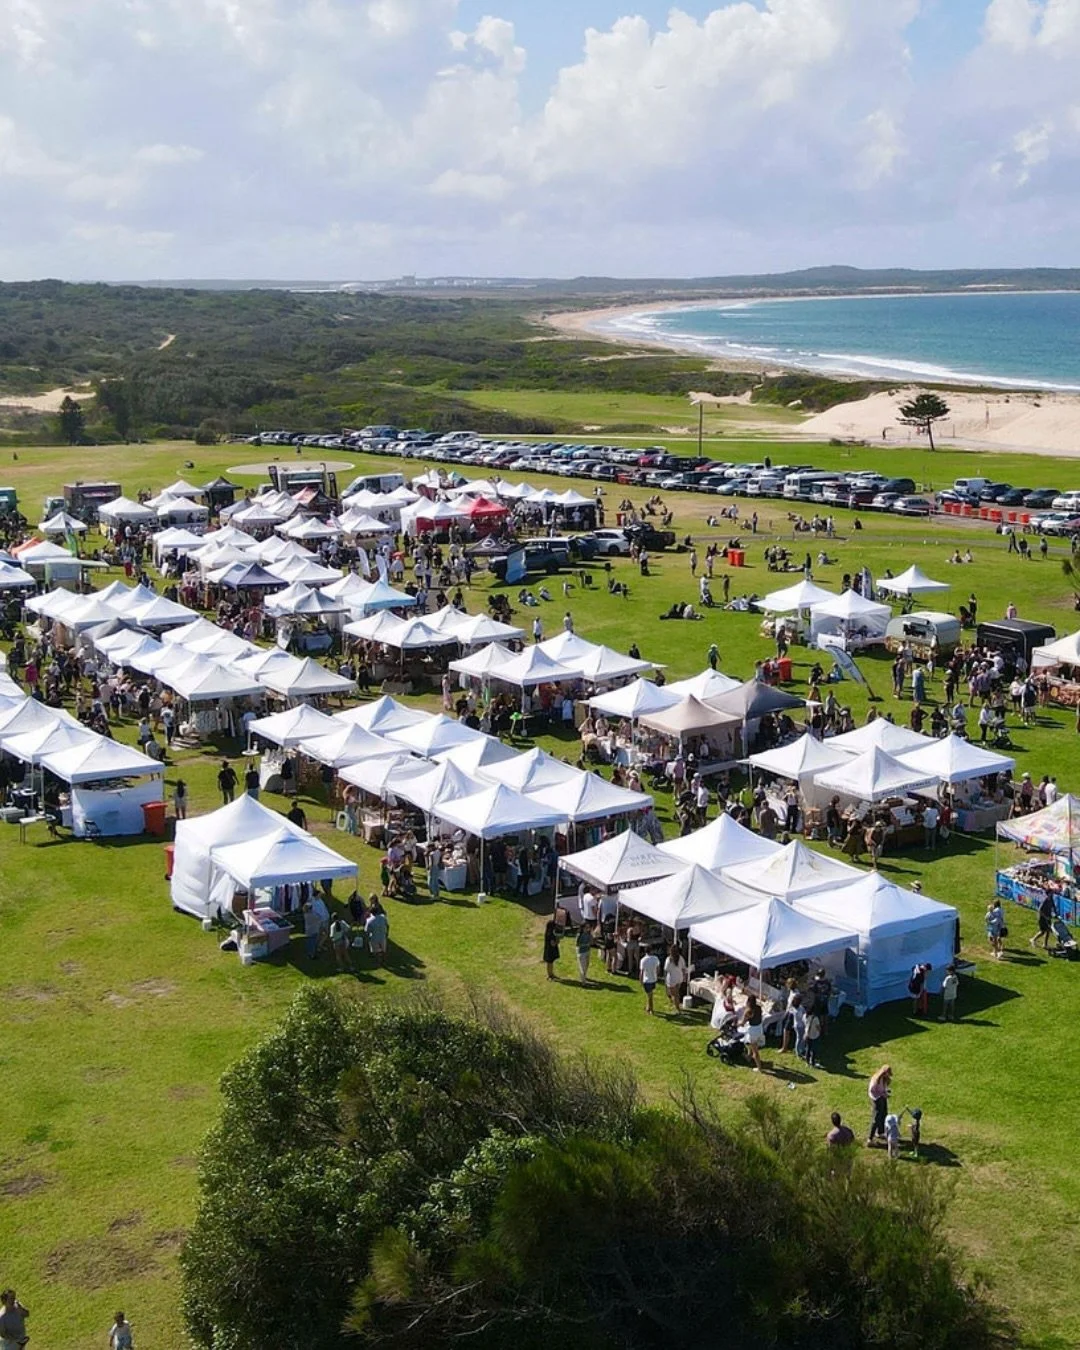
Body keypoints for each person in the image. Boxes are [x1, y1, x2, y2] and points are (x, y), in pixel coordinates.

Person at [740, 992, 765, 1072]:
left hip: (753, 1031)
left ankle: (759, 1068)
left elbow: (742, 1023)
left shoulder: (748, 1011)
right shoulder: (759, 1008)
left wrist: (736, 1023)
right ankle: (748, 1057)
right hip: (759, 1028)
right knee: (751, 1044)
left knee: (755, 1051)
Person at [867, 1064, 892, 1145]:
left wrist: (885, 1092)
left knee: (884, 1114)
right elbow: (872, 1090)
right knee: (877, 1118)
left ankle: (880, 1132)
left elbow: (882, 1087)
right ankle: (870, 1139)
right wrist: (881, 1094)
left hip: (882, 1097)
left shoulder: (884, 1079)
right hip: (876, 1099)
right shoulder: (876, 1079)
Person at [663, 943, 687, 1012]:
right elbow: (683, 968)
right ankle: (677, 1005)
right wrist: (684, 976)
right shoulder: (681, 958)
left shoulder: (669, 959)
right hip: (679, 978)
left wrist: (665, 979)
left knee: (674, 994)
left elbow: (666, 970)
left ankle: (677, 1008)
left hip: (672, 979)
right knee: (676, 993)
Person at [639, 944, 660, 1014]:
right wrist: (657, 976)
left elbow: (641, 972)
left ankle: (651, 1010)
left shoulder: (643, 960)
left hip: (646, 980)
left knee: (649, 995)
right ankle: (648, 1007)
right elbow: (658, 969)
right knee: (650, 994)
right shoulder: (655, 958)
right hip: (653, 979)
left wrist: (640, 981)